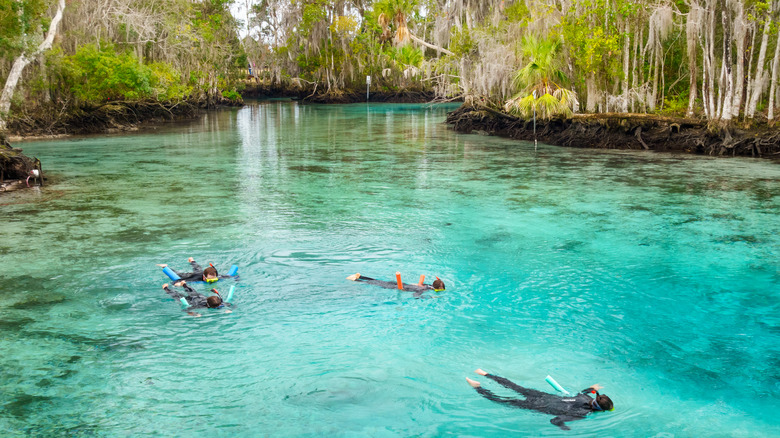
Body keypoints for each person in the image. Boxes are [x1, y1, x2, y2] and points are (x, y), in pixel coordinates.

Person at [465, 369, 613, 430]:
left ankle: (485, 374)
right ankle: (477, 387)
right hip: (537, 405)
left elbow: (585, 391)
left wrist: (592, 387)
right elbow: (554, 421)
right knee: (501, 400)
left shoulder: (585, 396)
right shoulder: (581, 414)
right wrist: (565, 428)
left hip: (542, 396)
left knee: (515, 387)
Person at [346, 273, 445, 297]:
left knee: (380, 282)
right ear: (438, 289)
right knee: (379, 284)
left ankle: (361, 276)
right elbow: (415, 296)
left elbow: (420, 284)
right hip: (400, 287)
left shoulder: (427, 285)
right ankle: (356, 280)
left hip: (402, 284)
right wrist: (428, 298)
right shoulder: (424, 290)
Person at [162, 281, 229, 317]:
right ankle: (165, 288)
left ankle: (184, 284)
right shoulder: (201, 306)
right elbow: (185, 310)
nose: (218, 306)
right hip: (192, 300)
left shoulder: (220, 303)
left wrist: (230, 310)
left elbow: (231, 305)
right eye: (216, 306)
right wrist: (194, 314)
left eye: (219, 305)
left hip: (199, 296)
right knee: (177, 296)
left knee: (192, 291)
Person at [157, 257, 232, 283]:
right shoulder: (196, 278)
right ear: (204, 278)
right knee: (180, 274)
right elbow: (178, 281)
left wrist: (237, 279)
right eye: (209, 280)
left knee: (198, 268)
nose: (212, 282)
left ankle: (192, 260)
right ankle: (165, 266)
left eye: (214, 280)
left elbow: (231, 276)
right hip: (195, 275)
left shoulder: (217, 277)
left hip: (202, 272)